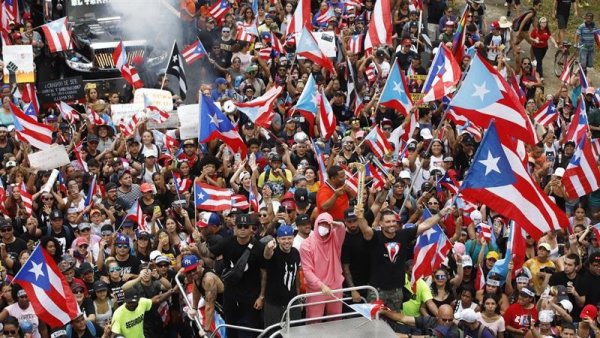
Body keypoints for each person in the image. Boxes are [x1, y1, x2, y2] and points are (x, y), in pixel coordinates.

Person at [299, 212, 345, 319]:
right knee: (314, 320)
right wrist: (321, 285)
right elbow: (307, 270)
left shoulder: (335, 239)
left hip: (335, 286)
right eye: (321, 224)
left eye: (326, 224)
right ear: (316, 224)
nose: (324, 227)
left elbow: (342, 230)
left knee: (336, 319)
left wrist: (337, 224)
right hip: (316, 288)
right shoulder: (306, 244)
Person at [262, 224, 301, 327]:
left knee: (295, 331)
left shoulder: (296, 253)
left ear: (293, 238)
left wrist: (298, 296)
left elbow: (296, 275)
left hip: (292, 301)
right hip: (273, 303)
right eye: (283, 239)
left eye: (289, 238)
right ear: (278, 239)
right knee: (273, 332)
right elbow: (266, 255)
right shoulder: (273, 253)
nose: (287, 241)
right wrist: (268, 247)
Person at [182, 254, 224, 335]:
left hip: (231, 308)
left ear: (199, 265)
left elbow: (209, 306)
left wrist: (206, 329)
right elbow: (196, 289)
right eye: (189, 271)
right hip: (221, 308)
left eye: (194, 269)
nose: (192, 273)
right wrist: (194, 307)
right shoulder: (197, 276)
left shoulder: (208, 279)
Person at [380, 304, 462, 338]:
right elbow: (404, 319)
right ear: (437, 317)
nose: (447, 322)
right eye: (444, 319)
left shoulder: (454, 332)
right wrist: (385, 312)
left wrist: (402, 336)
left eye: (450, 320)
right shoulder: (430, 320)